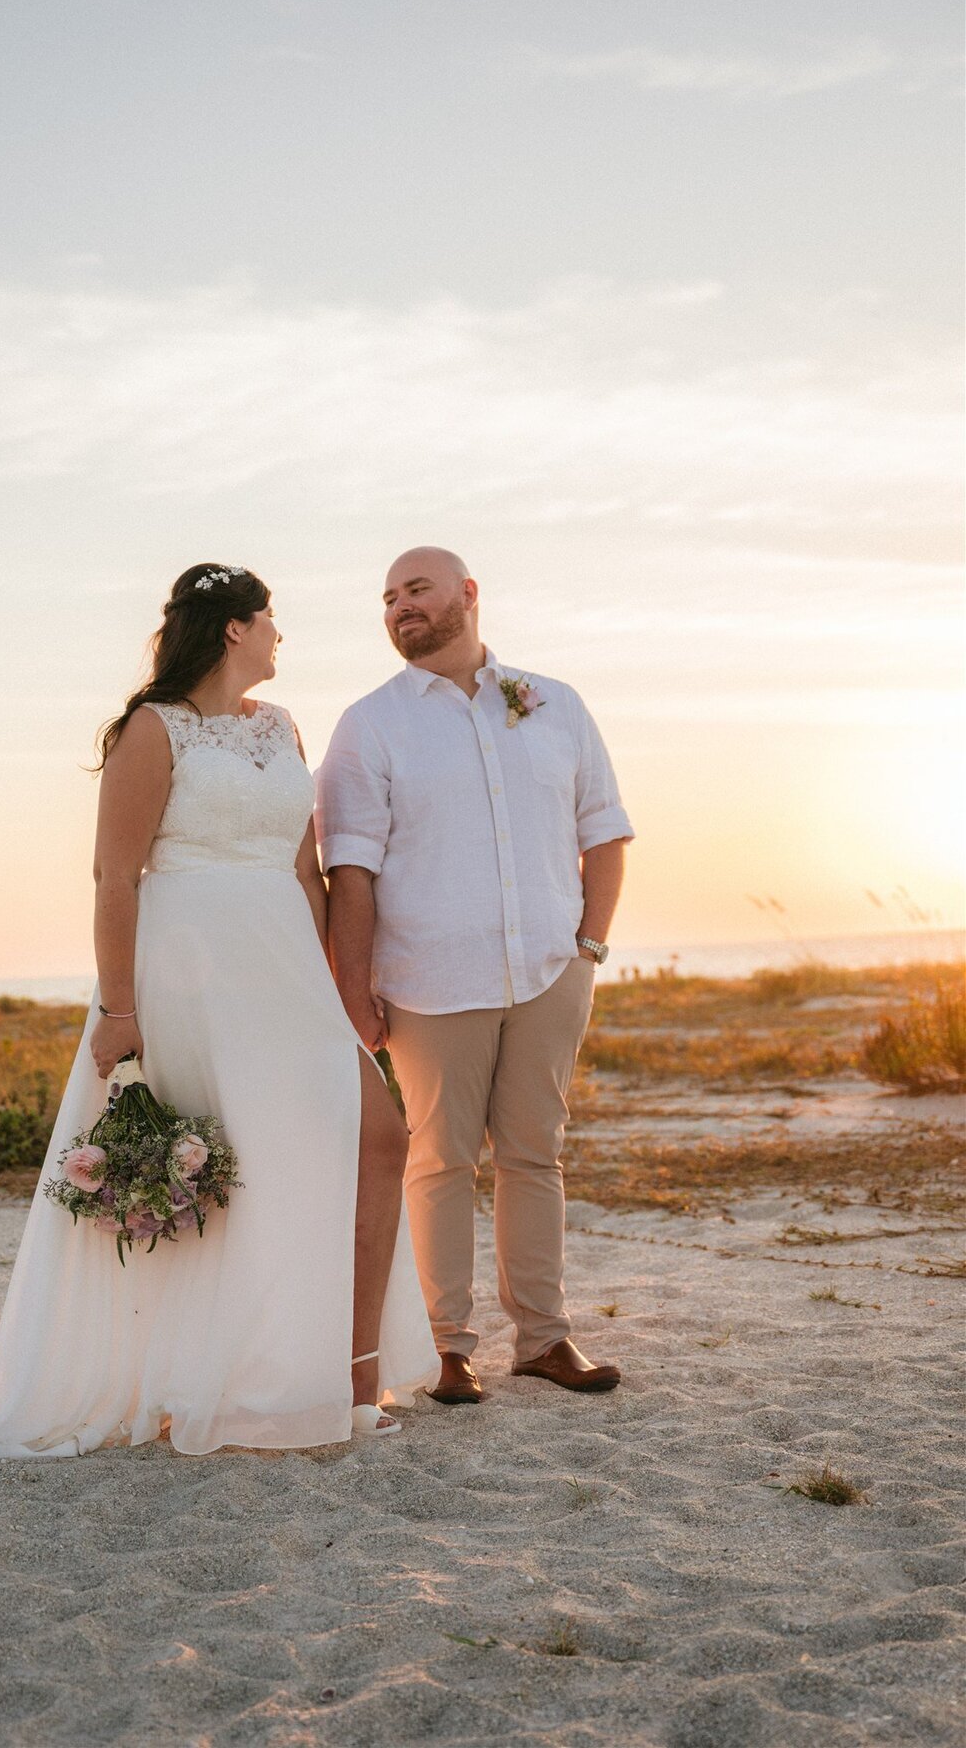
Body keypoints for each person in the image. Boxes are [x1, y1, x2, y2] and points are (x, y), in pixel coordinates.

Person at [0, 565, 438, 1458]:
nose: (278, 637)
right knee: (246, 1174)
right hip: (190, 973)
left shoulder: (283, 727)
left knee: (375, 1133)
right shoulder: (152, 730)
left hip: (287, 974)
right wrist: (118, 1009)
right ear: (233, 630)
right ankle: (259, 1383)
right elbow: (117, 875)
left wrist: (331, 985)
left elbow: (306, 872)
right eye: (269, 621)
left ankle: (352, 1374)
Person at [316, 547, 633, 1406]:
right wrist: (354, 988)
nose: (399, 607)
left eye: (416, 589)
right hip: (426, 980)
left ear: (468, 594)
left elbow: (604, 831)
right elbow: (351, 871)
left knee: (537, 1155)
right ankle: (448, 1349)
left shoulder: (554, 703)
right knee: (439, 1161)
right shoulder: (370, 724)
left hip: (548, 974)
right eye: (387, 598)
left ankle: (543, 1339)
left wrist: (588, 951)